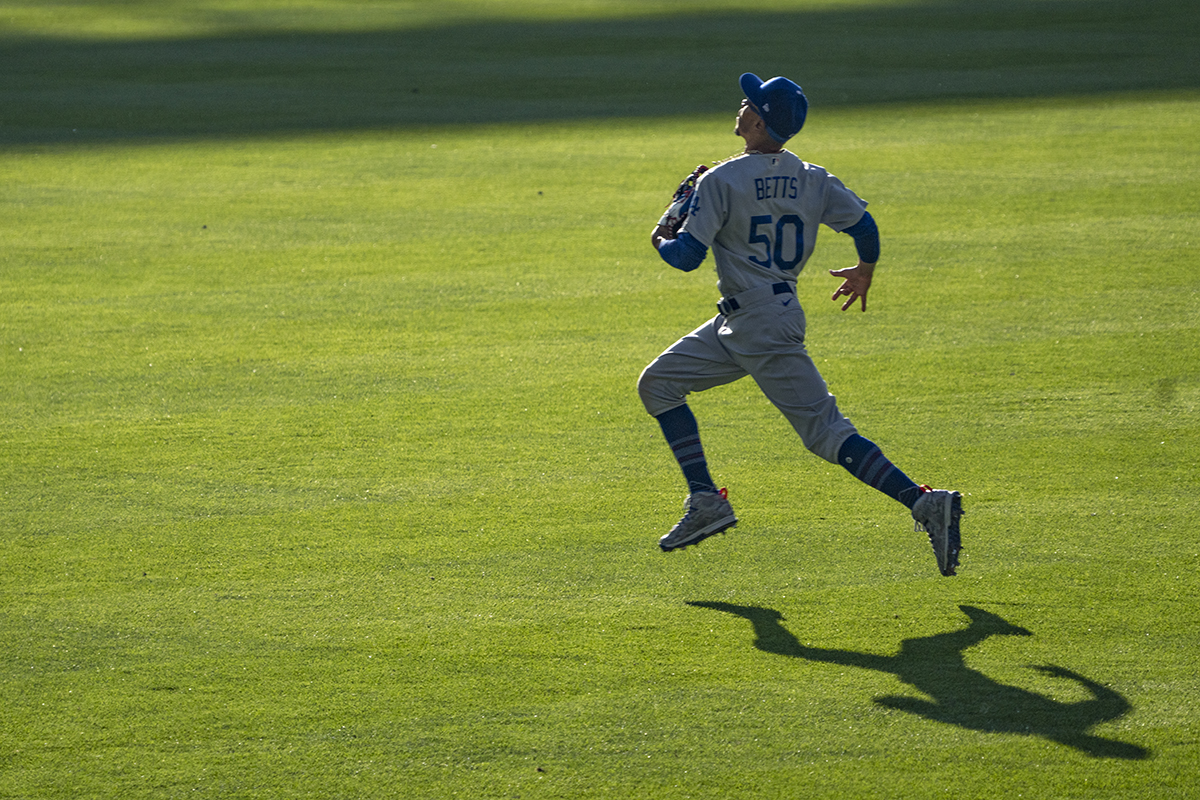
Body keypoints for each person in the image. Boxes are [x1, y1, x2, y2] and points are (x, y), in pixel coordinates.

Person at [637, 73, 962, 576]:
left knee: (826, 433)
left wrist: (661, 230)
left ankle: (923, 501)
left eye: (750, 101)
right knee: (658, 383)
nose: (742, 105)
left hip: (759, 326)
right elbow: (864, 226)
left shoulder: (720, 180)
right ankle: (705, 498)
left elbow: (684, 258)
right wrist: (865, 269)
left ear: (761, 120)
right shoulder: (812, 177)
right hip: (751, 320)